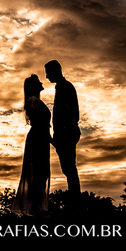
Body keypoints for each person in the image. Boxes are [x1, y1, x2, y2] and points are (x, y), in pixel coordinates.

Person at [13, 74, 51, 215]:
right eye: (38, 82)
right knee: (40, 172)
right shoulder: (33, 101)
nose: (42, 83)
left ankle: (36, 205)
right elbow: (40, 123)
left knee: (41, 172)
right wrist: (50, 139)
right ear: (35, 86)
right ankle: (35, 206)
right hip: (38, 139)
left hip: (40, 138)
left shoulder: (35, 101)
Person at [45, 60, 80, 194]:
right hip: (64, 135)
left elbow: (72, 113)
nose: (47, 77)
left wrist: (64, 132)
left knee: (70, 169)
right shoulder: (61, 87)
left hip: (66, 135)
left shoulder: (65, 87)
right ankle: (74, 200)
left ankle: (75, 202)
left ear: (55, 71)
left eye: (48, 73)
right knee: (68, 169)